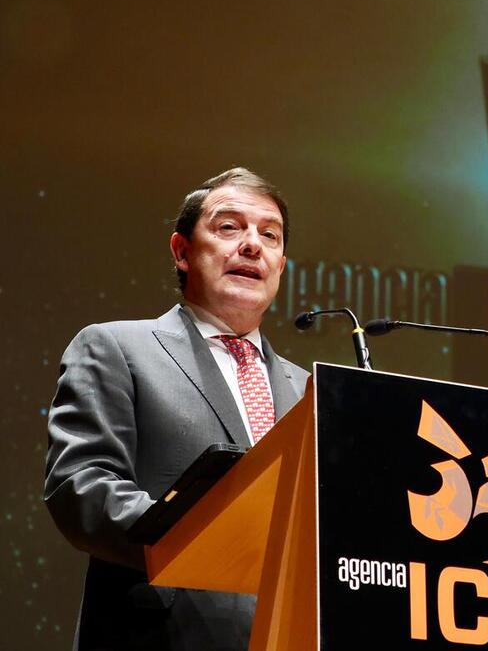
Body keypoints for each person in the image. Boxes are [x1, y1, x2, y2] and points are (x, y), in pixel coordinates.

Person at [44, 168, 309, 650]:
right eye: (229, 227)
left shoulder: (311, 390)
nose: (253, 245)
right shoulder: (116, 348)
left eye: (269, 235)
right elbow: (80, 486)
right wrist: (205, 539)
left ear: (281, 264)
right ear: (182, 252)